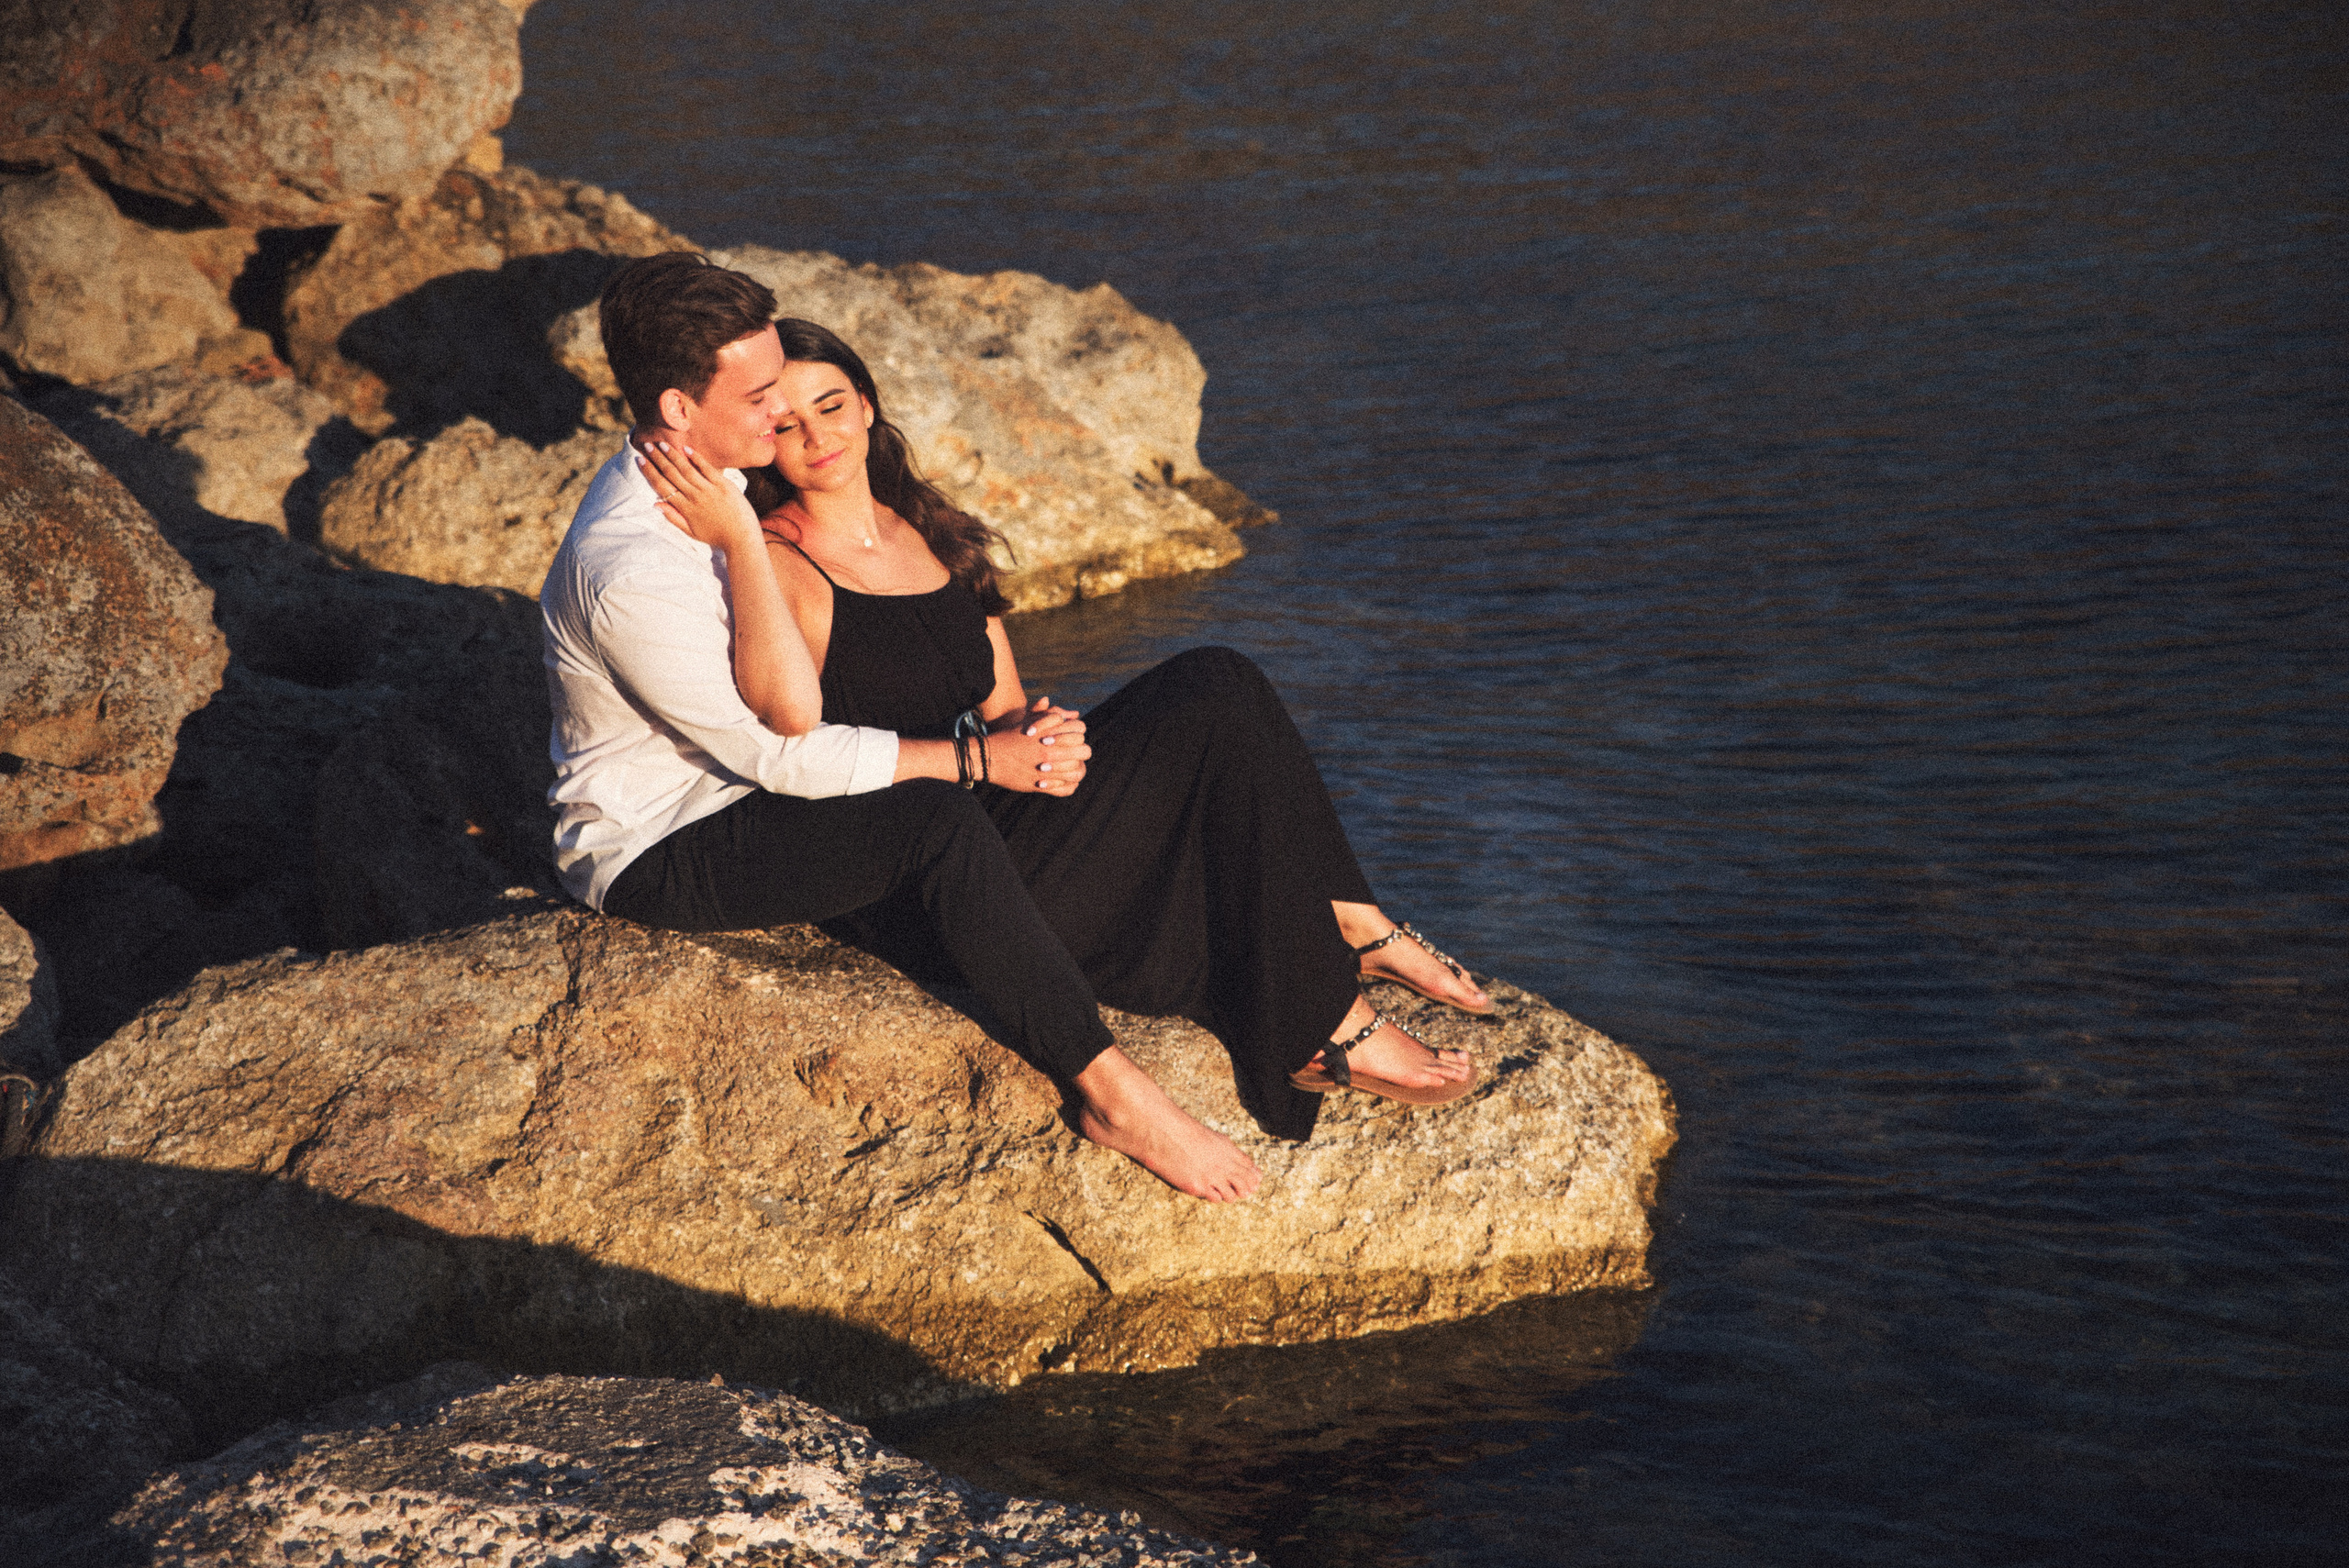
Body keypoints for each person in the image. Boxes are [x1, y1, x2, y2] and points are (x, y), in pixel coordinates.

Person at [546, 251, 1489, 1204]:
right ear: (677, 410)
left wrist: (1026, 738)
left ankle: (1351, 924)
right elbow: (779, 742)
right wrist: (973, 758)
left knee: (1213, 682)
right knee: (933, 816)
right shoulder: (641, 562)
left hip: (780, 786)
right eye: (761, 398)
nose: (780, 413)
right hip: (671, 837)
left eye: (810, 399)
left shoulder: (724, 482)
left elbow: (942, 683)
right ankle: (1113, 1090)